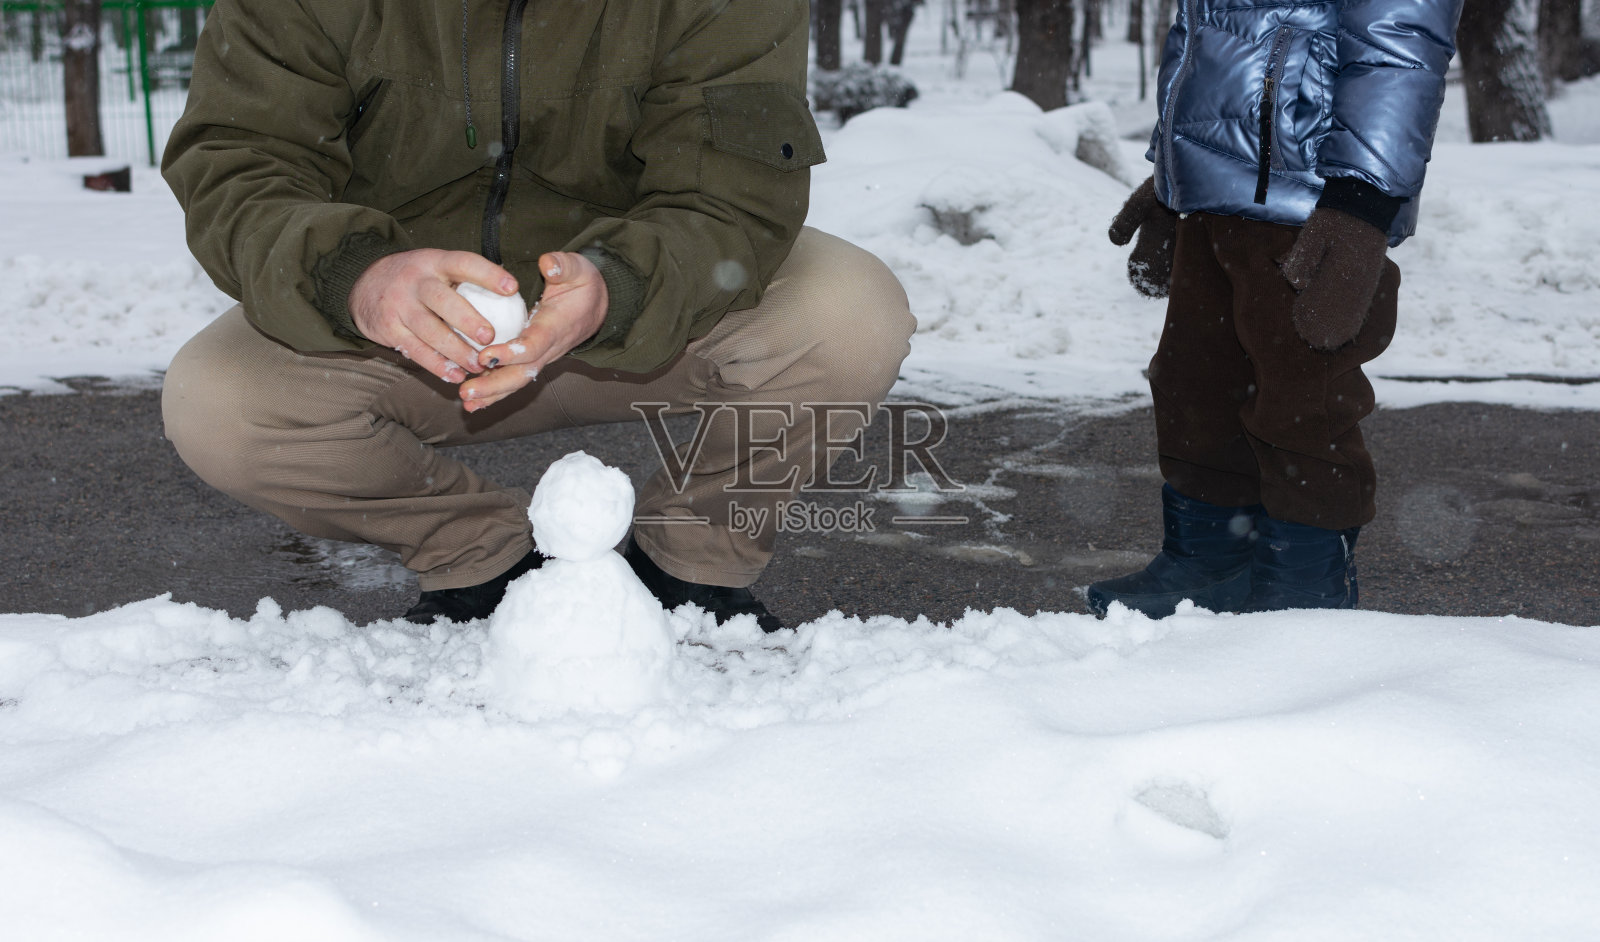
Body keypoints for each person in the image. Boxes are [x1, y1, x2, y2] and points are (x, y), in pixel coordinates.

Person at [160, 0, 914, 630]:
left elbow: (730, 196)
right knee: (219, 402)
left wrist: (619, 284)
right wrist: (357, 279)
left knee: (849, 312)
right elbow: (239, 163)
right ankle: (480, 560)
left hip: (644, 307)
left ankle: (694, 562)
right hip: (416, 330)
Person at [1089, 0, 1465, 617]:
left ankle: (1302, 593)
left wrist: (1362, 198)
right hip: (1215, 197)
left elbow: (1399, 42)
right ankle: (1208, 562)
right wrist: (1175, 174)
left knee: (1303, 407)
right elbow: (1201, 39)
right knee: (1194, 389)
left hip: (1310, 203)